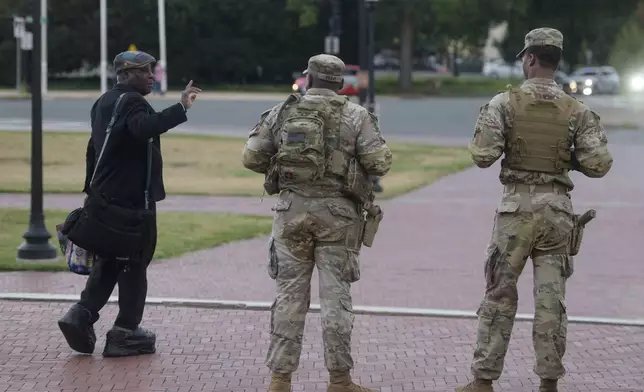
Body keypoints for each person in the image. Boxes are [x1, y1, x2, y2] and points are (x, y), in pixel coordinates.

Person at [455, 28, 613, 392]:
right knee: (551, 301)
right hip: (557, 212)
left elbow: (482, 156)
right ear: (556, 62)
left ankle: (483, 381)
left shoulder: (504, 103)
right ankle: (548, 382)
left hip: (516, 212)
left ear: (529, 58)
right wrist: (566, 158)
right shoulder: (577, 110)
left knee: (498, 295)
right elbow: (600, 164)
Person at [242, 54, 392, 392]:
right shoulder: (356, 116)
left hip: (291, 213)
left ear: (307, 78)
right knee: (335, 299)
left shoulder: (282, 111)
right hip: (338, 218)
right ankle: (339, 380)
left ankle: (280, 380)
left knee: (288, 298)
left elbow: (251, 156)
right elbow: (379, 163)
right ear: (340, 84)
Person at [57, 50, 201, 357]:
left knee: (111, 258)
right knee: (135, 262)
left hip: (105, 197)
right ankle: (125, 331)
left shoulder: (104, 102)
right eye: (145, 71)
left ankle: (80, 315)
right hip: (131, 201)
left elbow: (96, 148)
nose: (152, 75)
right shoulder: (133, 102)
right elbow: (142, 128)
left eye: (152, 70)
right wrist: (180, 108)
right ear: (124, 74)